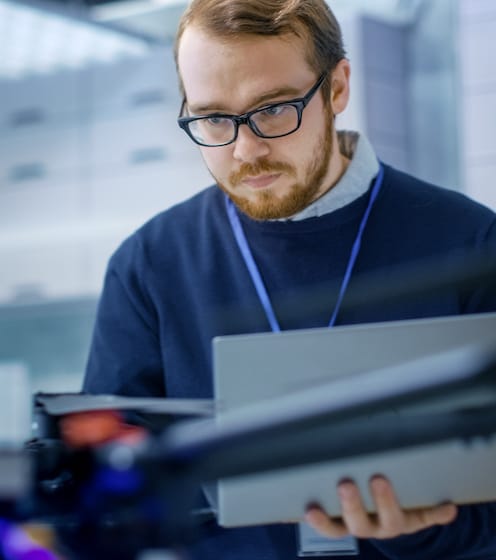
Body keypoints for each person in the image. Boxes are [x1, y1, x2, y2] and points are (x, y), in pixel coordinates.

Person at [83, 0, 496, 558]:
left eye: (274, 109)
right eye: (212, 118)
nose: (245, 149)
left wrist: (426, 530)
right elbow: (105, 502)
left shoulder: (471, 245)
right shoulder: (149, 265)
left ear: (338, 87)